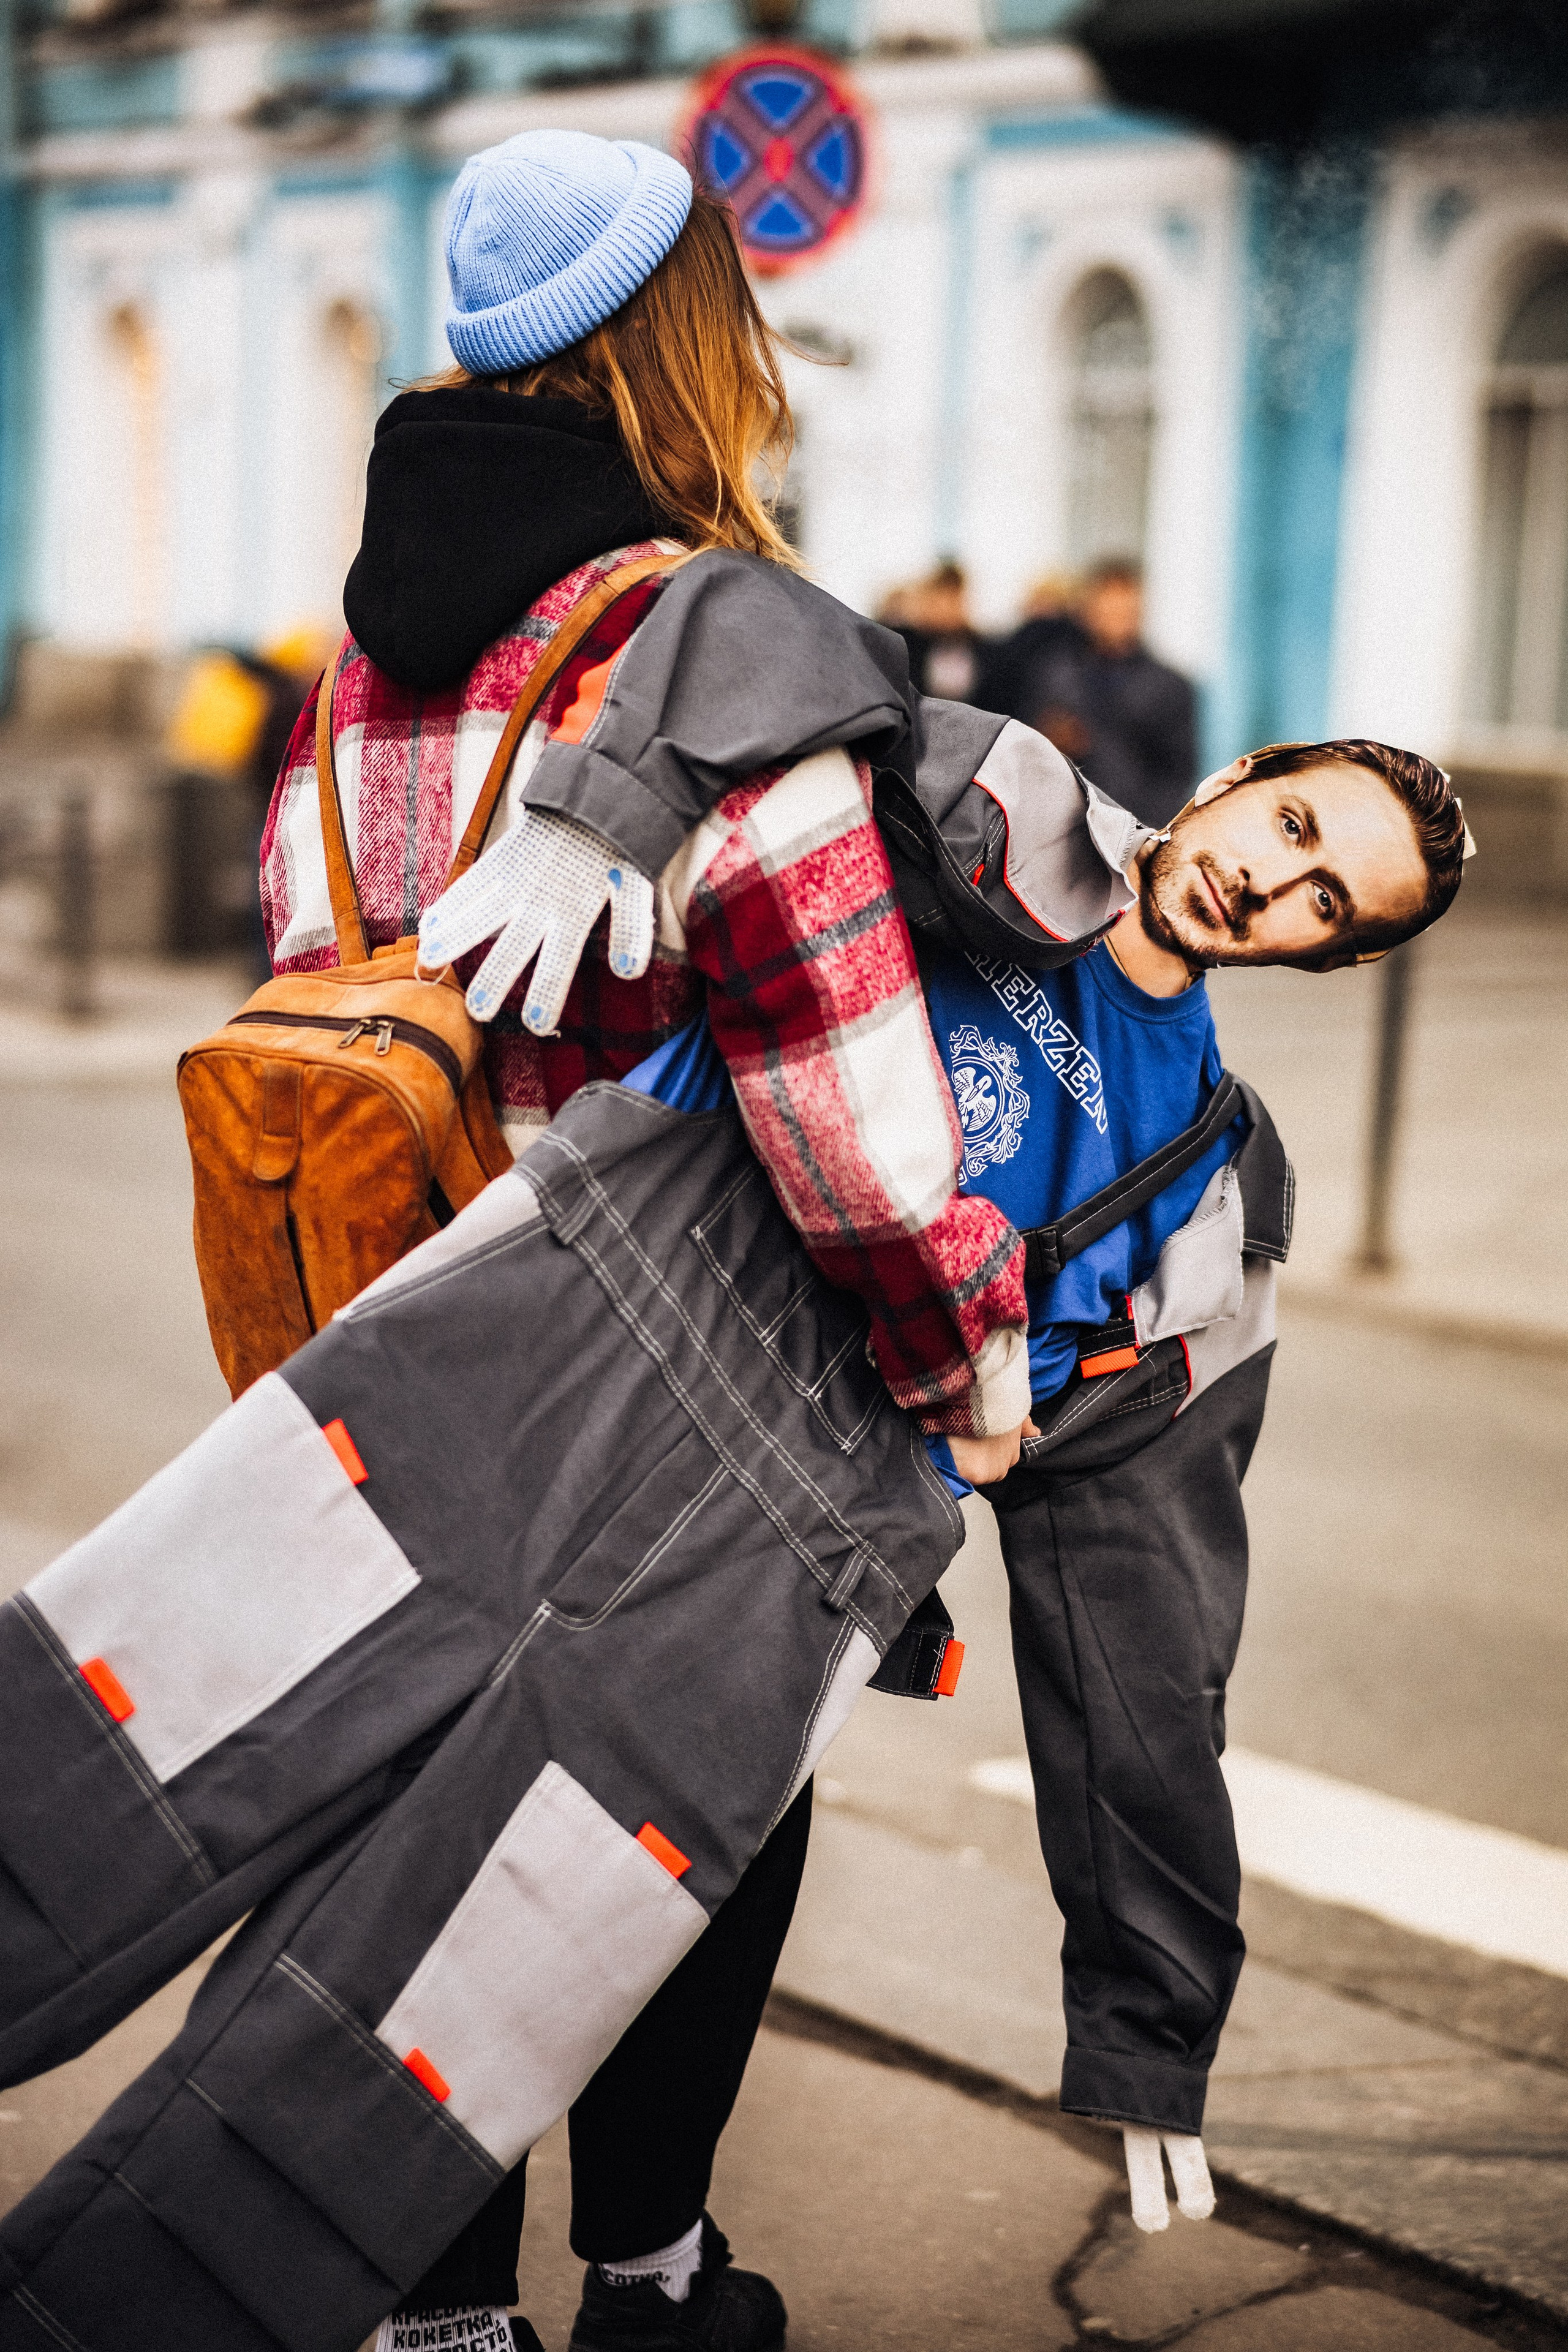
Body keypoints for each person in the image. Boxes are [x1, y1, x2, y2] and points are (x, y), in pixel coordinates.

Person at [0, 718, 1469, 2343]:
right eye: (1295, 823)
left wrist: (1152, 2016)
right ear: (1246, 778)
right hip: (538, 1375)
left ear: (1333, 959)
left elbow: (1149, 1625)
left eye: (1330, 904)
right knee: (95, 1775)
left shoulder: (1206, 1188)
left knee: (441, 1994)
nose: (1275, 880)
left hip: (759, 1580)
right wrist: (597, 811)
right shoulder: (980, 791)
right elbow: (742, 638)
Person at [253, 129, 1031, 2352]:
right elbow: (845, 1116)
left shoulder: (354, 670)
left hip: (387, 1367)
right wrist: (957, 1363)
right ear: (683, 344)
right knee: (690, 1821)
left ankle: (428, 2317)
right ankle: (654, 2278)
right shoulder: (707, 653)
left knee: (421, 1823)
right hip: (669, 1402)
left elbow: (315, 966)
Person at [987, 556, 1197, 829]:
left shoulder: (1170, 687)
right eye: (1108, 609)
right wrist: (1049, 738)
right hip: (1061, 826)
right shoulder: (1053, 673)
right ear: (1088, 610)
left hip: (1134, 828)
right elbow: (1021, 747)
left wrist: (1145, 833)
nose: (1115, 620)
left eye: (1124, 611)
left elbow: (1177, 774)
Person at [878, 559, 989, 702]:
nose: (947, 608)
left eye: (953, 598)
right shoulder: (910, 645)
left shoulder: (983, 649)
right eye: (941, 598)